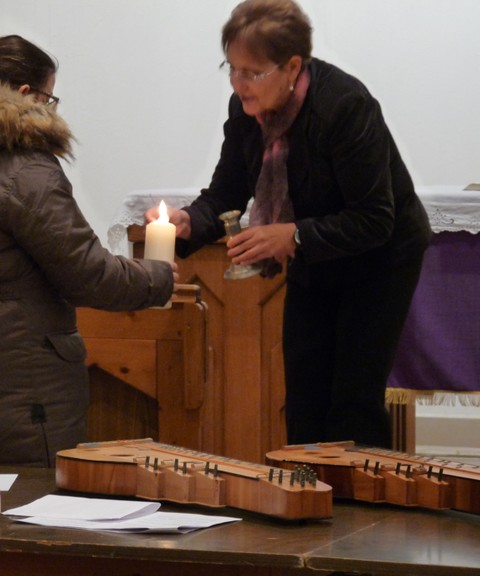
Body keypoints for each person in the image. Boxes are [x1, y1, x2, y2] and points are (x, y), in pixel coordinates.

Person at [146, 0, 431, 449]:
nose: (239, 84)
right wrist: (188, 222)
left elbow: (375, 218)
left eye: (253, 72)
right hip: (314, 258)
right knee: (303, 394)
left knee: (353, 399)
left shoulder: (345, 106)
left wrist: (294, 234)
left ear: (293, 66)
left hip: (380, 261)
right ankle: (308, 486)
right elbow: (225, 193)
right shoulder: (246, 110)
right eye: (232, 68)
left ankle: (359, 494)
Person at [0, 35, 175, 467]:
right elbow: (86, 274)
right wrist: (158, 276)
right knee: (29, 498)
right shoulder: (25, 171)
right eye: (50, 98)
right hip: (23, 384)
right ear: (27, 94)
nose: (53, 110)